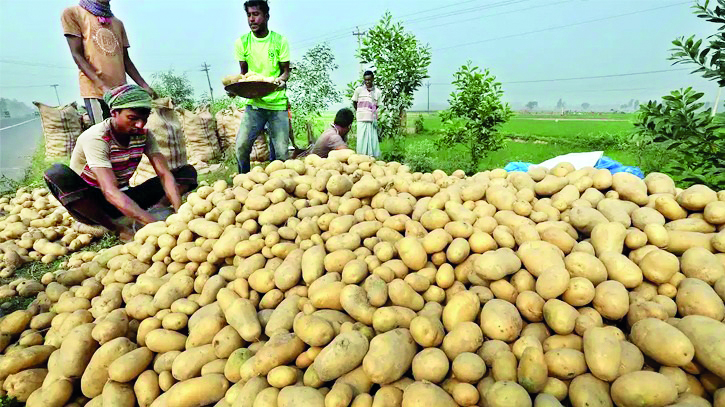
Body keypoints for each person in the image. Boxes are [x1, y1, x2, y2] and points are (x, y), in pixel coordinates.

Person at [43, 85, 197, 241]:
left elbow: (164, 174)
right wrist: (153, 224)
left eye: (144, 118)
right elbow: (109, 191)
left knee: (186, 172)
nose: (140, 124)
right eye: (133, 118)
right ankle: (118, 229)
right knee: (56, 173)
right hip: (93, 206)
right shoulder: (97, 138)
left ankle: (157, 208)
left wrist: (179, 213)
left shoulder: (143, 135)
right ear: (114, 113)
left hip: (123, 197)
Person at [61, 0, 155, 125]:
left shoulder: (117, 23)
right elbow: (77, 55)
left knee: (123, 136)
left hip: (121, 93)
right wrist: (103, 87)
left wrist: (144, 86)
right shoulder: (73, 13)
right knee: (103, 135)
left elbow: (125, 59)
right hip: (96, 92)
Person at [234, 0, 291, 173]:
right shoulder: (242, 42)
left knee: (282, 153)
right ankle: (243, 180)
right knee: (241, 147)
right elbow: (243, 75)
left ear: (266, 16)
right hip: (255, 105)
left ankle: (280, 187)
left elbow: (285, 72)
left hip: (277, 104)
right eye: (249, 15)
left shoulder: (279, 41)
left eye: (256, 14)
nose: (252, 19)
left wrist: (281, 81)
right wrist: (236, 87)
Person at [352, 70, 381, 157]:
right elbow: (354, 102)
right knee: (361, 139)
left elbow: (378, 105)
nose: (367, 82)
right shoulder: (359, 90)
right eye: (366, 80)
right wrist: (360, 111)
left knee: (372, 139)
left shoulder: (377, 92)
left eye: (369, 80)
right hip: (361, 118)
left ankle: (373, 157)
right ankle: (361, 157)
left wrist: (372, 113)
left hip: (371, 120)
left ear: (373, 79)